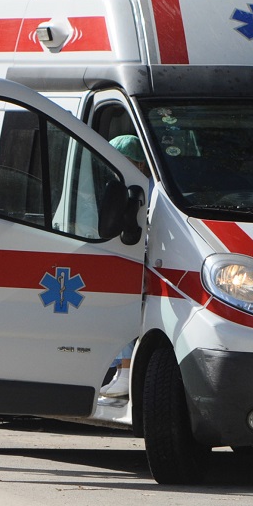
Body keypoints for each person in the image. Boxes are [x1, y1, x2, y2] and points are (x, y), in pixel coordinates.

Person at [99, 134, 150, 398]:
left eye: (122, 159)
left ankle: (127, 370)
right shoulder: (125, 183)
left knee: (123, 313)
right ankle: (121, 370)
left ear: (139, 164)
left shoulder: (143, 188)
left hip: (137, 258)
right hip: (125, 257)